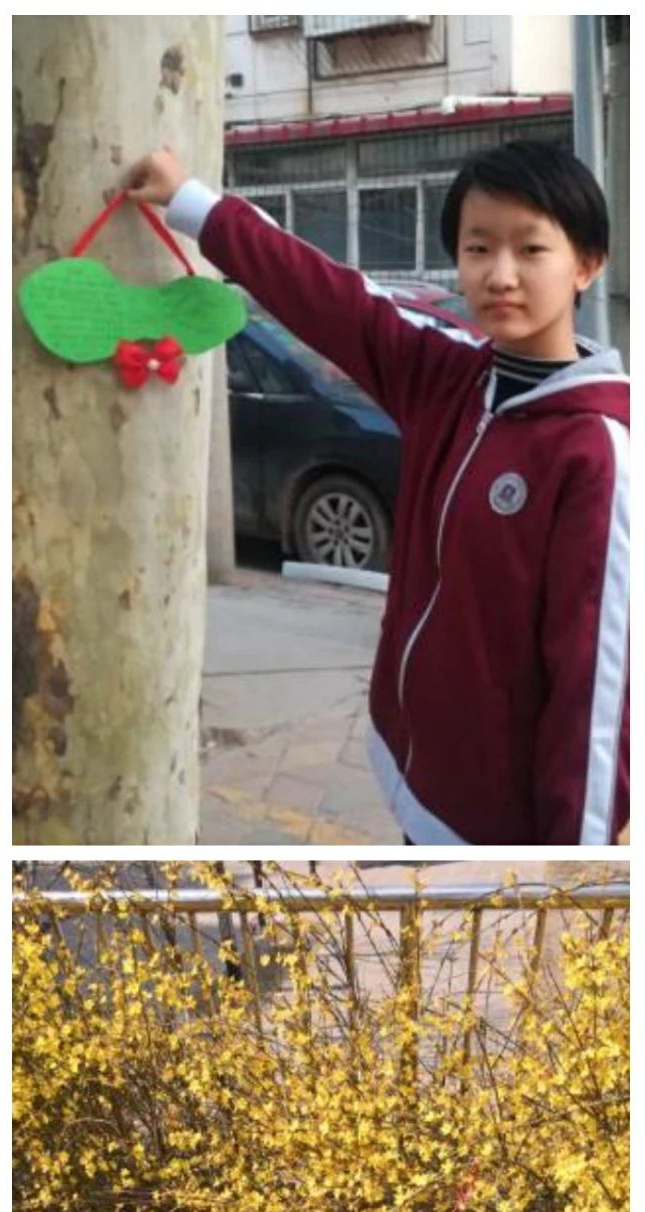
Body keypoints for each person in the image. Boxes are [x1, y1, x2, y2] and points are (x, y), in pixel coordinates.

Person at [126, 139, 628, 846]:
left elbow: (596, 701)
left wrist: (575, 876)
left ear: (586, 263)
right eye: (478, 247)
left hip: (497, 832)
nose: (500, 274)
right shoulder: (445, 381)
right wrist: (193, 204)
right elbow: (330, 297)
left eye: (531, 250)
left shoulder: (594, 452)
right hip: (414, 781)